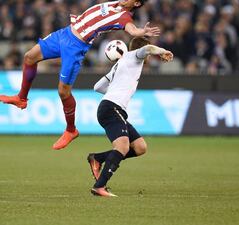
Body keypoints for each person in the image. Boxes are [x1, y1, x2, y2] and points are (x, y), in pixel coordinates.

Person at [0, 0, 160, 150]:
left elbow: (132, 29)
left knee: (63, 91)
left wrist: (141, 31)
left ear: (137, 3)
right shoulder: (115, 4)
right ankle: (21, 98)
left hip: (75, 47)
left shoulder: (124, 17)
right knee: (29, 57)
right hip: (65, 34)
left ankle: (71, 130)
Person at [87, 37, 173, 197]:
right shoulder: (134, 57)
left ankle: (98, 158)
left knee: (140, 147)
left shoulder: (120, 64)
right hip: (111, 107)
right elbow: (147, 49)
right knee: (123, 147)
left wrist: (115, 90)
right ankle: (99, 187)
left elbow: (97, 87)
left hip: (111, 107)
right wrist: (162, 51)